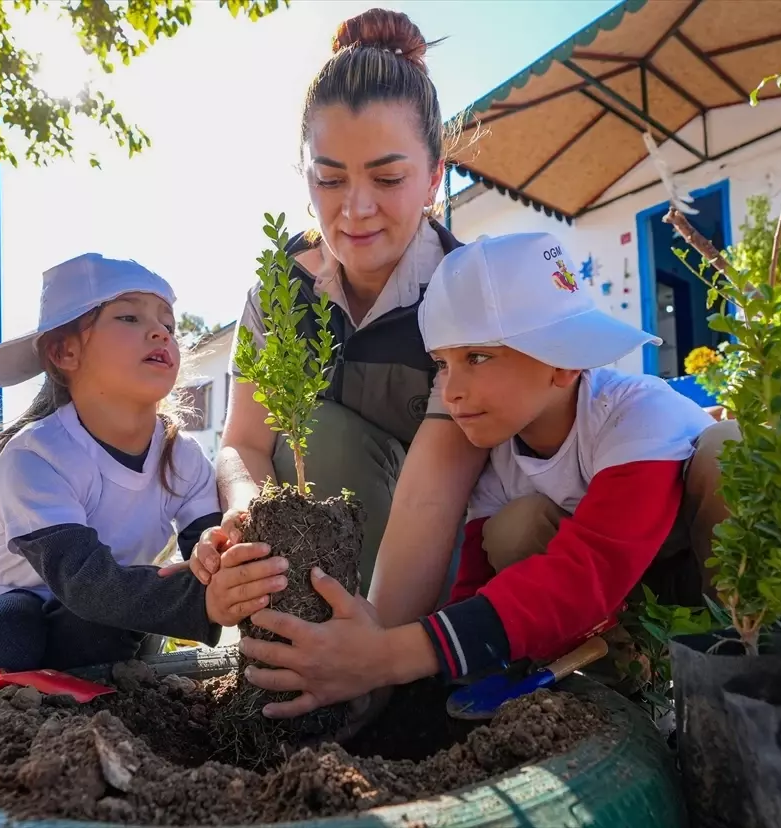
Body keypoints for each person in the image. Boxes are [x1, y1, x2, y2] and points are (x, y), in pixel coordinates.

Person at [0, 253, 284, 812]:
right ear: (65, 351)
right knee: (10, 628)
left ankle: (96, 745)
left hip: (106, 621)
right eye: (128, 318)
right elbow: (84, 580)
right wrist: (204, 604)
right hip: (23, 615)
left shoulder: (182, 455)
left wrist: (221, 558)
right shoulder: (36, 456)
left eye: (167, 322)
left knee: (106, 632)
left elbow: (201, 551)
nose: (159, 331)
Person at [235, 232, 737, 717]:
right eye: (442, 365)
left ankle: (741, 685)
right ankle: (622, 696)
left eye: (477, 357)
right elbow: (474, 586)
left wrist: (386, 655)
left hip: (699, 596)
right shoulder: (499, 456)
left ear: (562, 363)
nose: (450, 391)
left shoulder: (634, 416)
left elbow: (590, 572)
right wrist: (427, 689)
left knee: (727, 453)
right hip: (628, 620)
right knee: (515, 527)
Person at [199, 8, 487, 610]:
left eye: (387, 180)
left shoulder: (466, 294)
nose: (355, 210)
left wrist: (376, 654)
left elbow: (435, 498)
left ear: (434, 178)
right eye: (329, 181)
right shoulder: (277, 294)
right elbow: (243, 443)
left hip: (452, 557)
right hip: (321, 571)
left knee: (325, 440)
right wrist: (245, 514)